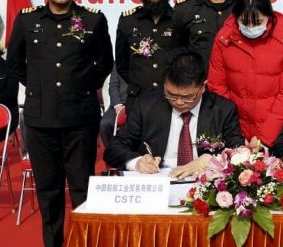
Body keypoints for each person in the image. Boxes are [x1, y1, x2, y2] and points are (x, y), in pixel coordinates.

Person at [7, 0, 114, 247]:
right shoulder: (27, 21)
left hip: (80, 117)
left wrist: (81, 87)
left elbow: (104, 63)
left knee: (82, 184)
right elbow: (15, 65)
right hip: (40, 120)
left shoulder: (93, 20)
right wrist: (38, 90)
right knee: (48, 187)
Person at [105, 51, 244, 179]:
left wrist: (209, 160)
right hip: (158, 179)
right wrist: (137, 162)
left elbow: (238, 151)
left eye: (187, 97)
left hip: (204, 181)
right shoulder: (146, 105)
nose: (178, 102)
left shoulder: (223, 110)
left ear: (203, 87)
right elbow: (113, 149)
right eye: (171, 94)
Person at [207, 0, 283, 148]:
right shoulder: (224, 39)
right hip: (234, 133)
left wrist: (264, 138)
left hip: (275, 132)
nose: (251, 27)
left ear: (269, 16)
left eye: (257, 22)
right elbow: (217, 88)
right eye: (244, 22)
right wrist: (235, 135)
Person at [115, 0, 180, 108]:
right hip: (138, 102)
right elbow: (122, 64)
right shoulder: (127, 20)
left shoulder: (180, 18)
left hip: (174, 102)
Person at [99, 67, 127, 149]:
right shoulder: (119, 62)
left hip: (136, 105)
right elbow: (113, 85)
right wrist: (118, 105)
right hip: (118, 104)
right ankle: (111, 152)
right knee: (105, 124)